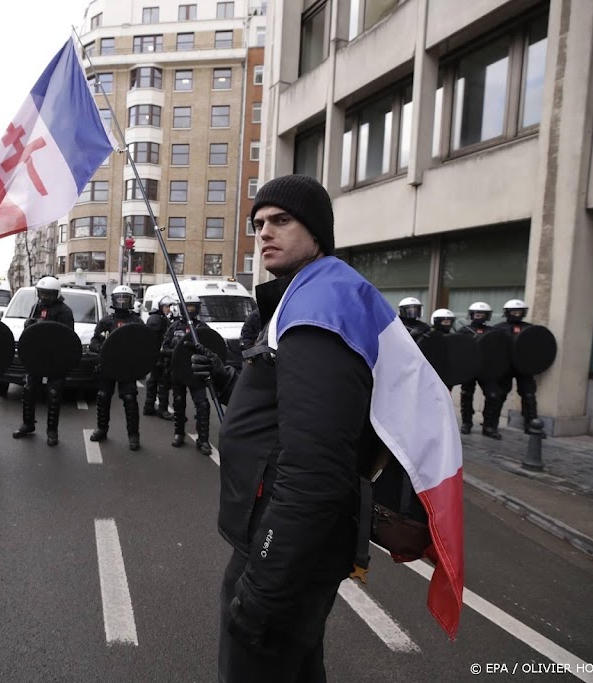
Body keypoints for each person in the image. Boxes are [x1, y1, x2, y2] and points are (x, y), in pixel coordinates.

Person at [191, 175, 383, 681]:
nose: (265, 233)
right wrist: (223, 376)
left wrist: (264, 586)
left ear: (316, 231)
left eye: (281, 221)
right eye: (259, 224)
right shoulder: (302, 298)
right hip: (280, 546)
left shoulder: (321, 309)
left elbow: (316, 468)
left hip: (283, 557)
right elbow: (281, 415)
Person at [13, 276, 75, 446]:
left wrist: (47, 326)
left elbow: (66, 336)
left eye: (48, 294)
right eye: (42, 293)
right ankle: (28, 424)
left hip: (55, 357)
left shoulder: (64, 311)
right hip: (37, 355)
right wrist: (29, 324)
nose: (44, 297)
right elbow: (30, 333)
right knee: (29, 388)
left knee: (54, 393)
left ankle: (52, 430)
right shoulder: (36, 307)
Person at [89, 285, 146, 451]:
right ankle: (102, 429)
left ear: (131, 301)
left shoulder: (136, 322)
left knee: (130, 399)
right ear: (113, 300)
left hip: (126, 367)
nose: (122, 302)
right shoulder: (106, 321)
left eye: (125, 298)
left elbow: (144, 344)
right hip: (107, 365)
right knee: (103, 396)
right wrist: (102, 349)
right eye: (119, 298)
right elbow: (94, 342)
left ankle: (133, 435)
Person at [161, 293, 214, 455]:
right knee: (178, 402)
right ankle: (179, 433)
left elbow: (211, 348)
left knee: (202, 405)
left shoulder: (202, 328)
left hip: (196, 373)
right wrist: (175, 353)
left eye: (192, 307)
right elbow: (164, 347)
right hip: (178, 371)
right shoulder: (174, 326)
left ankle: (203, 440)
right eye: (187, 306)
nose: (189, 310)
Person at [490, 299, 543, 437]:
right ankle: (491, 426)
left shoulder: (530, 329)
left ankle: (532, 425)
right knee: (499, 395)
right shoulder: (498, 328)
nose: (516, 314)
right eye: (513, 312)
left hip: (524, 367)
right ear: (507, 313)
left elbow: (537, 348)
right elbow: (493, 348)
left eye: (519, 312)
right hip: (504, 367)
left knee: (529, 394)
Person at [457, 302, 504, 437]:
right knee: (466, 394)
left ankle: (489, 426)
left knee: (493, 395)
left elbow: (498, 351)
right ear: (471, 315)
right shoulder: (464, 330)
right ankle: (467, 423)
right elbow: (458, 350)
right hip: (469, 367)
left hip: (486, 369)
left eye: (482, 314)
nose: (479, 317)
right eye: (477, 314)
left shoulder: (492, 331)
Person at [143, 295, 174, 419]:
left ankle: (149, 406)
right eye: (166, 306)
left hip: (157, 355)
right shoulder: (156, 319)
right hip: (159, 356)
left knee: (154, 381)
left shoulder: (158, 318)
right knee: (163, 382)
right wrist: (159, 356)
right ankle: (162, 409)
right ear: (159, 307)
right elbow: (155, 339)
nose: (168, 309)